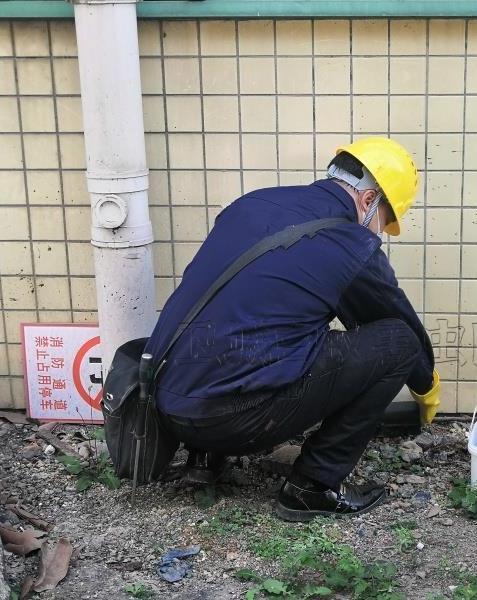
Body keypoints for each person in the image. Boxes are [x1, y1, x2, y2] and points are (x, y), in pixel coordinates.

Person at [144, 137, 440, 521]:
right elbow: (395, 324)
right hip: (231, 420)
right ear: (368, 201)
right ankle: (312, 487)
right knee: (398, 344)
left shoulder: (254, 203)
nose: (379, 232)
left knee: (253, 323)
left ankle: (204, 459)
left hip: (170, 403)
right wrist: (426, 387)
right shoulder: (350, 242)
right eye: (384, 219)